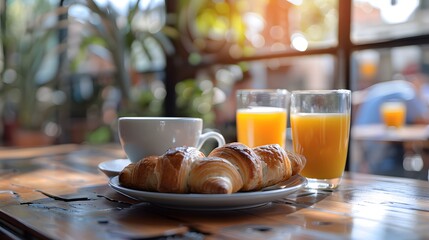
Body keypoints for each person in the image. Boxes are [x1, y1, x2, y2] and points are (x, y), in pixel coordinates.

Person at [353, 77, 429, 177]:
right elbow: (423, 120)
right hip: (383, 152)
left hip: (364, 145)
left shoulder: (387, 88)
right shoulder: (409, 92)